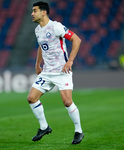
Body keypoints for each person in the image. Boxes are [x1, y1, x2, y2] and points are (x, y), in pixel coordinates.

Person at [27, 1, 84, 144]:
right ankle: (44, 127)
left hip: (61, 71)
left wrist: (70, 61)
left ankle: (79, 131)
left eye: (35, 11)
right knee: (31, 98)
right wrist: (37, 63)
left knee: (67, 102)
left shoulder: (56, 26)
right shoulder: (37, 30)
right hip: (47, 72)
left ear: (43, 12)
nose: (32, 14)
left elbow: (76, 40)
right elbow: (41, 46)